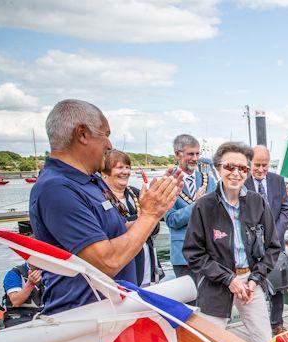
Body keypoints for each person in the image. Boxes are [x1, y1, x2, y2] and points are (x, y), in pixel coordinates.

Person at [29, 99, 178, 314]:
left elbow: (111, 234)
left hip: (115, 308)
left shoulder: (90, 181)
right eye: (105, 134)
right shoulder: (56, 189)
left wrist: (152, 209)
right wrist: (150, 215)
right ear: (82, 134)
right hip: (86, 316)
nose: (109, 145)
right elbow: (107, 261)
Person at [183, 142, 281, 342]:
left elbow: (273, 246)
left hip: (250, 281)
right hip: (216, 283)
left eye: (243, 168)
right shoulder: (204, 206)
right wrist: (228, 279)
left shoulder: (258, 202)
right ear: (218, 168)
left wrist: (255, 278)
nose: (236, 173)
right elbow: (194, 253)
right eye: (230, 167)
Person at [245, 145, 288, 335]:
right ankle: (257, 326)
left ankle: (277, 324)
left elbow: (285, 209)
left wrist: (275, 236)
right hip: (250, 245)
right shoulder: (243, 182)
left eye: (265, 165)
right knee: (253, 285)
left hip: (276, 243)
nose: (261, 170)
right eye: (257, 165)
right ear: (250, 163)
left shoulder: (278, 181)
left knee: (277, 285)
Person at [100, 150, 162, 286]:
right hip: (122, 268)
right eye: (119, 167)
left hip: (147, 264)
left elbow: (155, 228)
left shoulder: (136, 193)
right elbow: (111, 229)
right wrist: (142, 218)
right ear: (105, 173)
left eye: (127, 167)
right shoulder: (99, 198)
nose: (125, 172)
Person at [165, 134, 218, 284]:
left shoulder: (209, 180)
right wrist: (197, 204)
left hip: (208, 252)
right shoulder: (169, 182)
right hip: (183, 256)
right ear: (177, 154)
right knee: (189, 304)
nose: (195, 158)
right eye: (190, 154)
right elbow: (171, 220)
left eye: (197, 153)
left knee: (210, 303)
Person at [1, 263, 43, 327]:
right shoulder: (14, 273)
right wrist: (30, 284)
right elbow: (16, 302)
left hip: (45, 314)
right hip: (20, 317)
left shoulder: (53, 272)